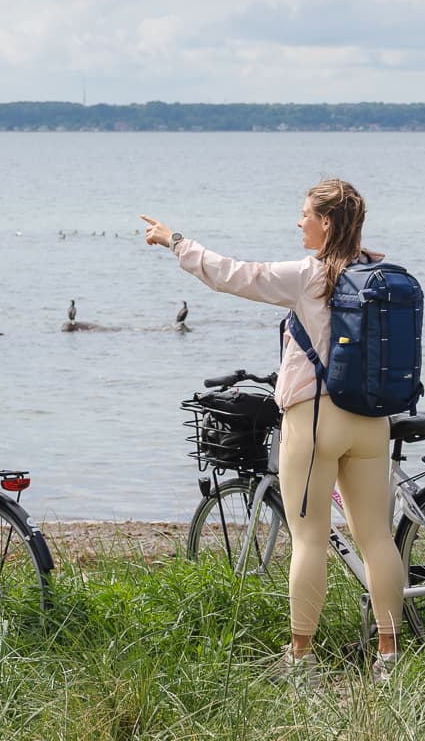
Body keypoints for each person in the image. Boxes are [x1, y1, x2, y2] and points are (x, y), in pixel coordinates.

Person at [141, 180, 407, 680]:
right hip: (373, 422)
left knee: (309, 540)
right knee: (376, 539)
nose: (299, 221)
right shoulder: (379, 271)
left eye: (305, 214)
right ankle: (388, 658)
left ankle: (301, 658)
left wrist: (175, 240)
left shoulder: (308, 277)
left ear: (326, 223)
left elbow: (233, 275)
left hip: (315, 420)